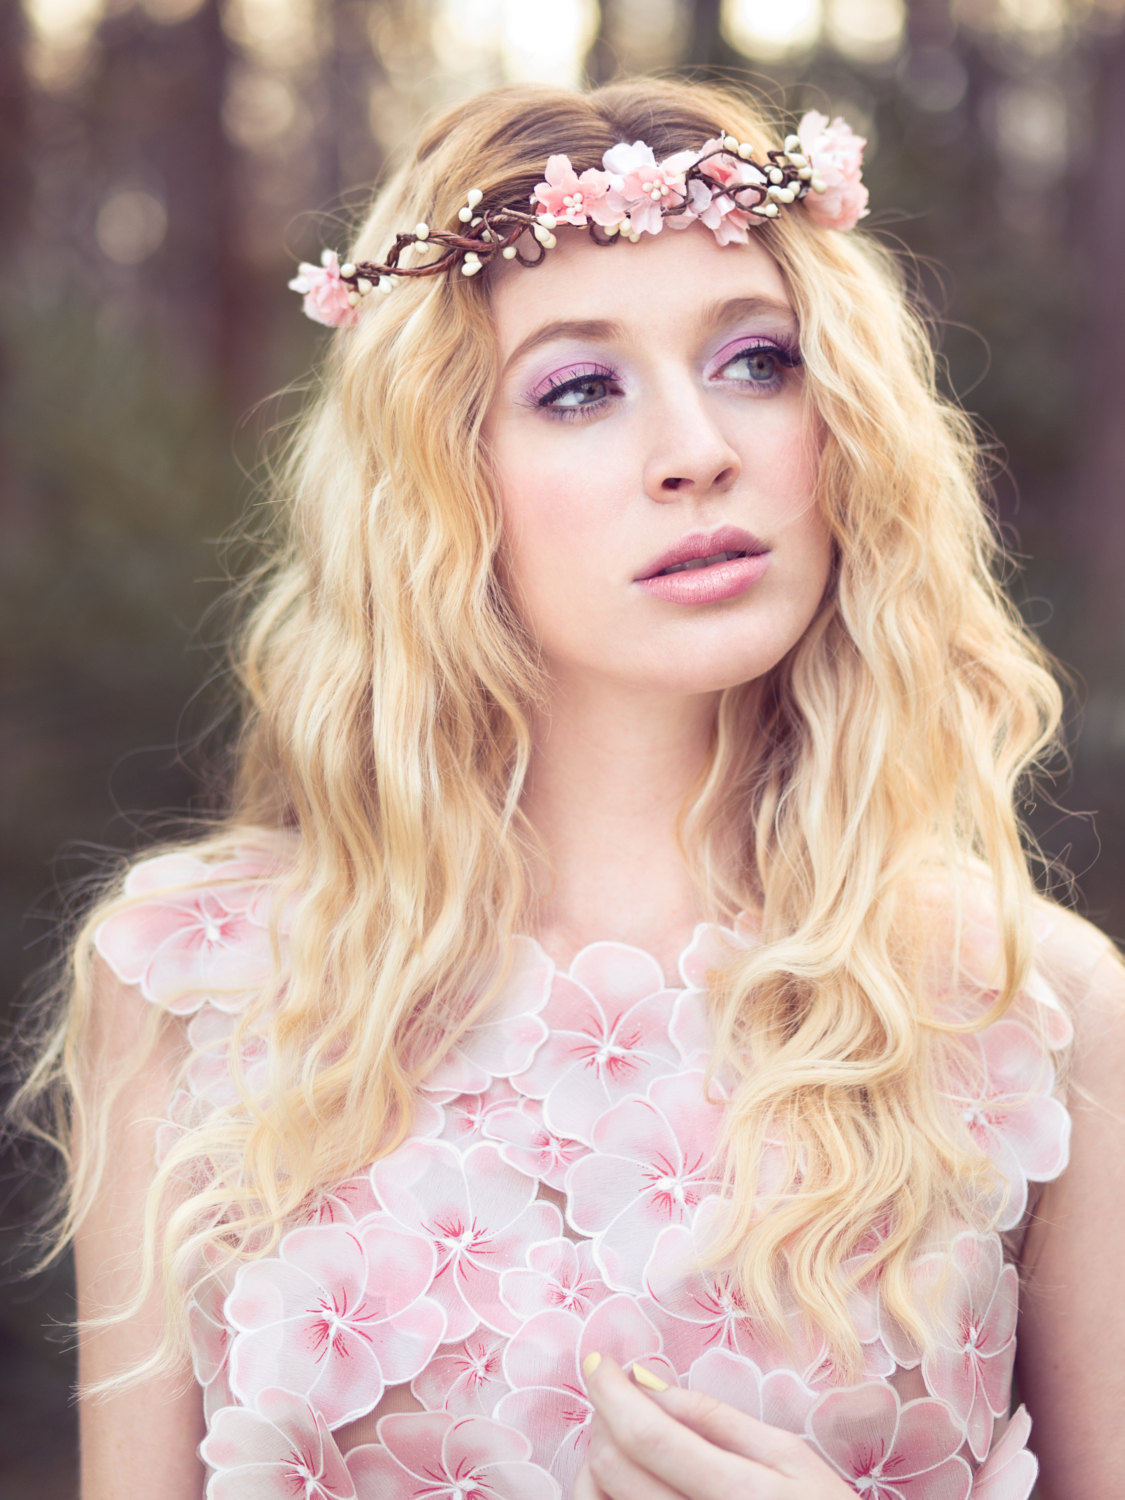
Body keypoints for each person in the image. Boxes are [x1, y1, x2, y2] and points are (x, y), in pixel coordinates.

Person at [15, 75, 1125, 1500]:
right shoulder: (195, 980)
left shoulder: (1031, 1009)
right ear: (441, 477)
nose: (698, 450)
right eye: (580, 387)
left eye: (757, 361)